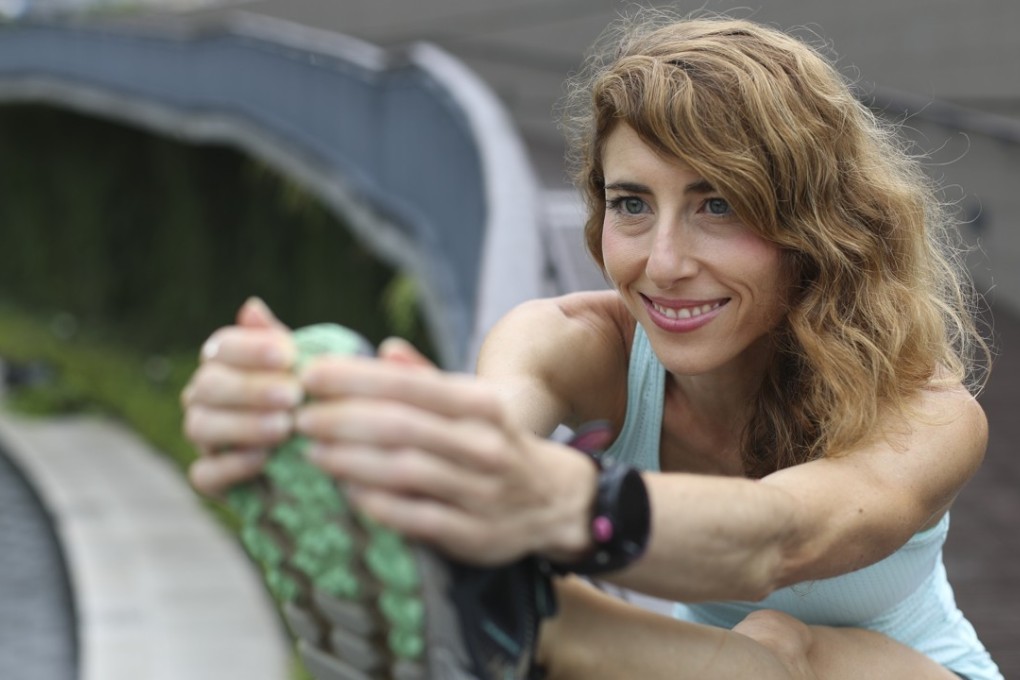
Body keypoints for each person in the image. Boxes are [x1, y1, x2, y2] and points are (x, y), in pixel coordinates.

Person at [181, 11, 1002, 680]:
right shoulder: (569, 340)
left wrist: (565, 503)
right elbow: (490, 436)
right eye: (632, 204)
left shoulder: (928, 412)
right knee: (759, 654)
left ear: (811, 228)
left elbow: (781, 539)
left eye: (718, 205)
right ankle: (503, 617)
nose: (664, 262)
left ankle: (525, 625)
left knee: (787, 644)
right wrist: (302, 406)